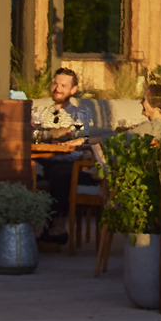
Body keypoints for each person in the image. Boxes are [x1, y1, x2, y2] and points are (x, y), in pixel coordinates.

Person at [33, 66, 108, 242]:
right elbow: (32, 133)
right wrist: (54, 133)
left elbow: (77, 133)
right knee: (25, 168)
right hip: (43, 159)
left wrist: (50, 133)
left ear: (73, 90)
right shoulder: (42, 112)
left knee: (59, 173)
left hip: (73, 163)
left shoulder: (80, 112)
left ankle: (58, 228)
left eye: (63, 85)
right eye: (55, 83)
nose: (57, 88)